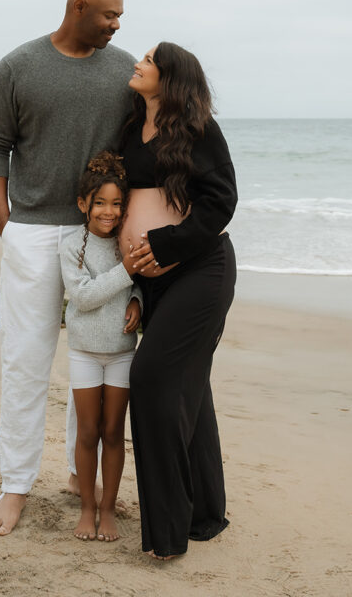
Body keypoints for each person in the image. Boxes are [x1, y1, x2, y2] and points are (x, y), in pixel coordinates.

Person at [0, 0, 135, 536]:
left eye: (120, 16)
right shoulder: (18, 67)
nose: (118, 25)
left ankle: (79, 473)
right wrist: (6, 218)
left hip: (101, 233)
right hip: (35, 233)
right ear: (78, 6)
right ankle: (15, 486)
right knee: (25, 362)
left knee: (93, 361)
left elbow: (148, 146)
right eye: (109, 15)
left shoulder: (125, 71)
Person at [119, 42, 238, 560]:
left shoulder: (197, 130)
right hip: (154, 282)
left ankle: (166, 534)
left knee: (150, 378)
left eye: (151, 59)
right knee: (192, 387)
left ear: (171, 79)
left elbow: (222, 200)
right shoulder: (129, 130)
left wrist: (166, 247)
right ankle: (204, 514)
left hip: (200, 270)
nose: (139, 62)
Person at [59, 152, 142, 543]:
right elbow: (83, 297)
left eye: (116, 203)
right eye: (100, 203)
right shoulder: (72, 245)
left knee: (113, 432)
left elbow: (142, 281)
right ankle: (87, 508)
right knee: (88, 432)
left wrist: (138, 298)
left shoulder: (126, 241)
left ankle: (108, 509)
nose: (109, 211)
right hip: (85, 351)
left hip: (123, 350)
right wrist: (125, 272)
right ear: (83, 204)